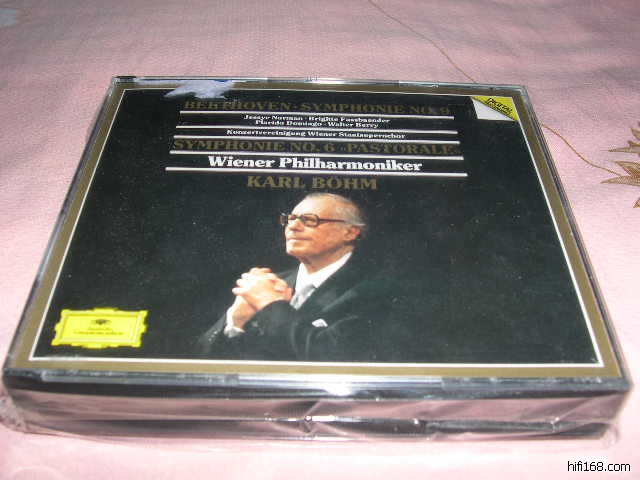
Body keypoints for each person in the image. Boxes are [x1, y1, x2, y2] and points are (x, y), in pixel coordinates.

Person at [198, 192, 406, 362]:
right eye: (290, 219)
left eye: (309, 220)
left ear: (350, 232)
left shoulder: (382, 290)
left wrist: (271, 306)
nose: (292, 226)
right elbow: (198, 358)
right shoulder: (270, 284)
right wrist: (235, 322)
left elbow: (338, 358)